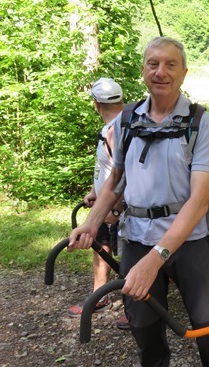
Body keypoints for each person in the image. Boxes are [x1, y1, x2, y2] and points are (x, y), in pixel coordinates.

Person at [68, 37, 209, 367]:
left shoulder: (201, 122)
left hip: (189, 238)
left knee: (208, 327)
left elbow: (200, 200)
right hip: (136, 236)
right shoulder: (127, 120)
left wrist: (156, 257)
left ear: (184, 72)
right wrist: (91, 223)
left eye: (170, 64)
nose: (161, 72)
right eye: (153, 64)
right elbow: (115, 181)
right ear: (143, 70)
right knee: (143, 327)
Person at [68, 78, 129, 330]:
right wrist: (95, 191)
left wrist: (115, 208)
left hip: (120, 208)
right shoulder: (109, 129)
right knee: (100, 247)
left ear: (96, 104)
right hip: (105, 204)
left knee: (129, 256)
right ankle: (100, 294)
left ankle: (135, 307)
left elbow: (126, 175)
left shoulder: (118, 130)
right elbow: (107, 169)